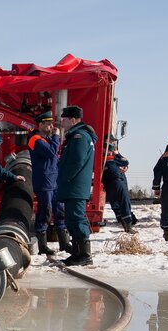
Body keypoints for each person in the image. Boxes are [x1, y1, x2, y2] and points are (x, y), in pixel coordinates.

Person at [57, 105, 98, 266]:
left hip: (75, 185)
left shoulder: (79, 137)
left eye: (65, 119)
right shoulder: (77, 136)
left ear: (73, 120)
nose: (62, 122)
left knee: (77, 218)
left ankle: (84, 255)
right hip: (74, 185)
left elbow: (76, 161)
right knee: (72, 219)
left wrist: (65, 178)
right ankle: (77, 253)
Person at [27, 111, 69, 255]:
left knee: (60, 210)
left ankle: (64, 243)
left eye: (51, 124)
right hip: (44, 181)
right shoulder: (35, 140)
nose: (51, 126)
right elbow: (51, 153)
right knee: (45, 211)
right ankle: (42, 246)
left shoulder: (47, 139)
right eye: (48, 124)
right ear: (40, 125)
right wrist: (56, 136)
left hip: (54, 180)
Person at [101, 136, 136, 233]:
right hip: (115, 181)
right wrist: (118, 155)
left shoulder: (104, 158)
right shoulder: (110, 158)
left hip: (110, 183)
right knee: (124, 201)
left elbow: (125, 163)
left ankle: (126, 222)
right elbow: (125, 161)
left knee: (119, 201)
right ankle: (127, 224)